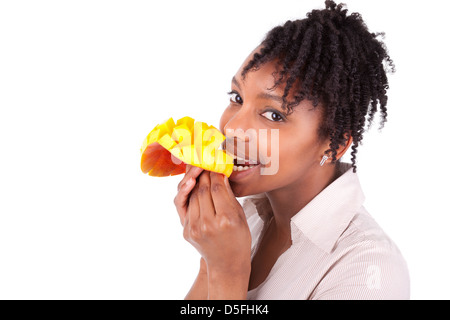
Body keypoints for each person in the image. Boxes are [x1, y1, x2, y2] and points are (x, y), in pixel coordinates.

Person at [173, 0, 409, 299]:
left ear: (334, 142)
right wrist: (210, 260)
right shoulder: (247, 216)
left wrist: (227, 271)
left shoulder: (369, 270)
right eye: (237, 97)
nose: (232, 128)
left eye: (274, 115)